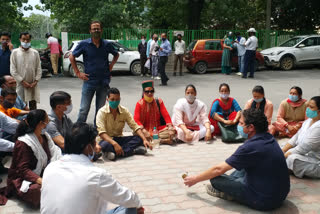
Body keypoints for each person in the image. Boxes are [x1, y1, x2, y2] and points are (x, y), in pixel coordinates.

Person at [184, 109, 290, 211]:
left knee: (215, 178)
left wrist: (195, 179)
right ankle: (232, 186)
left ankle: (230, 193)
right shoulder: (269, 137)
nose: (238, 126)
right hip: (280, 196)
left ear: (251, 127)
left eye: (241, 123)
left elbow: (218, 169)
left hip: (263, 200)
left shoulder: (250, 147)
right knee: (241, 165)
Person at [40, 122, 145, 214]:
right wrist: (138, 206)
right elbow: (129, 198)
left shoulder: (50, 167)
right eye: (94, 144)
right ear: (89, 147)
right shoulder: (96, 175)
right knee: (132, 208)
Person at [1, 110, 62, 207]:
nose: (48, 122)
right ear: (40, 124)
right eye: (47, 120)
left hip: (42, 172)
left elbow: (55, 152)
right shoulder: (23, 142)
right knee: (37, 192)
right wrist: (42, 181)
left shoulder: (45, 136)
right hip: (22, 178)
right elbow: (23, 170)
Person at [69, 20, 119, 125]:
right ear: (90, 31)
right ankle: (79, 130)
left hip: (103, 82)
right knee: (84, 109)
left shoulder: (106, 44)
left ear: (101, 30)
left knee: (100, 110)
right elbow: (72, 56)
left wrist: (111, 65)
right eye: (94, 28)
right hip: (89, 81)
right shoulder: (84, 44)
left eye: (98, 28)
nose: (96, 30)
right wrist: (78, 72)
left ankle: (97, 130)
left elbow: (116, 54)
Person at [96, 88, 152, 161]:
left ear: (120, 99)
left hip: (119, 138)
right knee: (105, 145)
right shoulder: (101, 112)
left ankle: (115, 153)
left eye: (117, 99)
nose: (115, 101)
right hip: (107, 140)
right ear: (107, 100)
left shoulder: (124, 110)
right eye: (112, 99)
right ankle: (132, 151)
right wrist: (115, 144)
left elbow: (135, 126)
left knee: (139, 138)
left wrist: (144, 139)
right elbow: (101, 133)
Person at [282, 96, 320, 178]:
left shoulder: (319, 127)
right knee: (280, 147)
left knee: (292, 159)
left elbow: (305, 147)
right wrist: (282, 150)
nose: (308, 109)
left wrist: (284, 155)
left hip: (315, 160)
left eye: (311, 107)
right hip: (304, 154)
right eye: (308, 106)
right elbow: (295, 138)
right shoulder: (308, 121)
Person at [134, 80, 175, 145]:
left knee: (173, 130)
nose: (149, 93)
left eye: (151, 91)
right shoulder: (139, 104)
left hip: (157, 129)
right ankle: (162, 141)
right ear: (143, 93)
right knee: (136, 132)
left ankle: (152, 140)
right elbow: (136, 120)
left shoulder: (159, 101)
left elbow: (166, 115)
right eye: (147, 91)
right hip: (144, 128)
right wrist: (144, 130)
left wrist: (170, 127)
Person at [10, 32, 42, 110]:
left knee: (33, 106)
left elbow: (38, 68)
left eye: (27, 39)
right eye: (23, 39)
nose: (25, 41)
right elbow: (13, 70)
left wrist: (36, 81)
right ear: (20, 39)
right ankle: (23, 121)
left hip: (33, 85)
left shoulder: (35, 53)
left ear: (30, 40)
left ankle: (34, 121)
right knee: (21, 105)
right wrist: (22, 81)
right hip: (21, 84)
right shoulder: (15, 52)